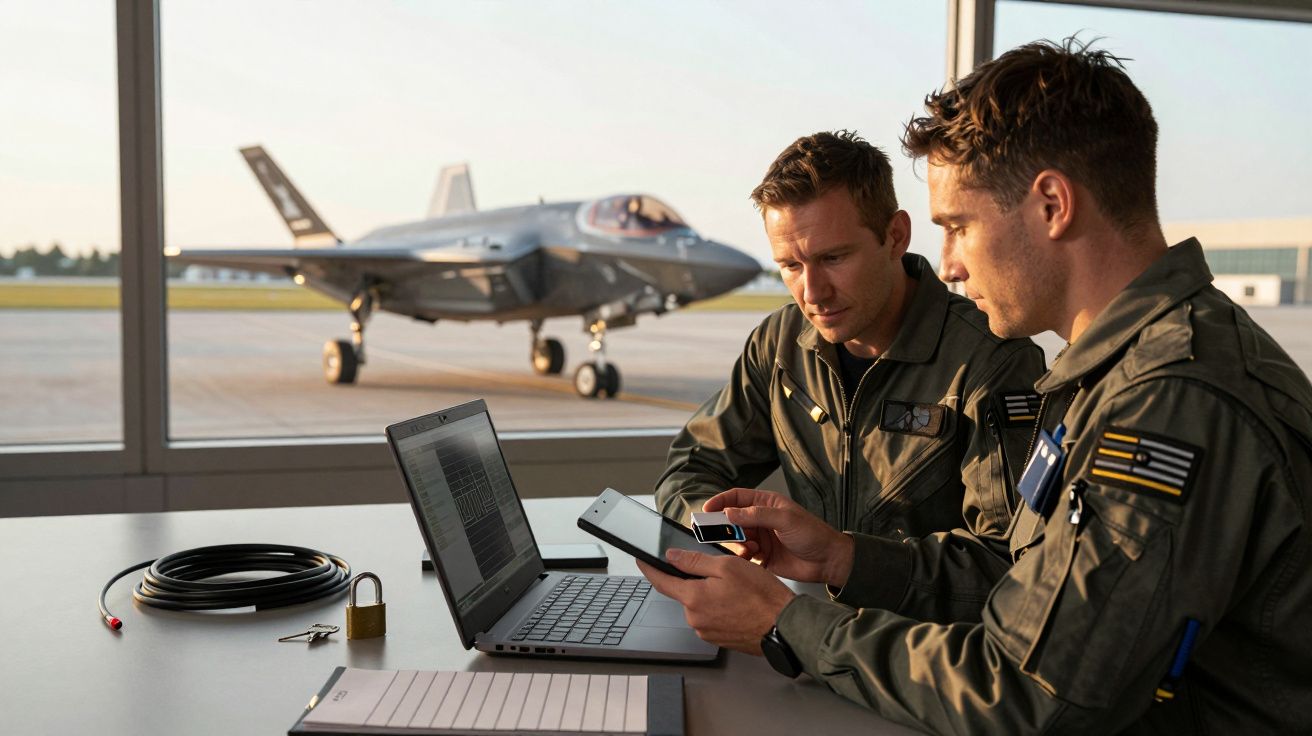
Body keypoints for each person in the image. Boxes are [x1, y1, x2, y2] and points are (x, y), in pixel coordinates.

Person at [638, 39, 1312, 733]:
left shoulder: (1171, 400)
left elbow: (1027, 693)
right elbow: (1019, 583)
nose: (950, 264)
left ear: (1052, 204)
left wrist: (787, 625)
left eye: (958, 226)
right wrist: (842, 556)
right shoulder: (1127, 372)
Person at [654, 131, 1045, 544]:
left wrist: (845, 560)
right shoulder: (780, 343)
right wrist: (732, 537)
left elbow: (1006, 561)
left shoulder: (991, 359)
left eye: (833, 258)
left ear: (895, 236)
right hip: (803, 608)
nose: (812, 293)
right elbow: (689, 471)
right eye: (790, 265)